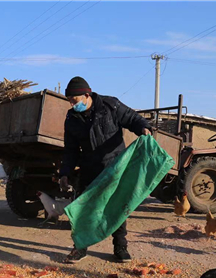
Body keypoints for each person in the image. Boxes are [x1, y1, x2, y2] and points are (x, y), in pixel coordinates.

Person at [59, 76, 152, 264]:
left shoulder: (110, 106)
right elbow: (70, 150)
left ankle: (120, 247)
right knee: (84, 209)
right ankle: (80, 248)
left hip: (115, 166)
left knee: (117, 206)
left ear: (87, 95)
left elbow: (133, 118)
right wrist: (65, 172)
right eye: (69, 101)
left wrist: (144, 128)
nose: (72, 104)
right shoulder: (72, 118)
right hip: (89, 167)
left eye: (74, 100)